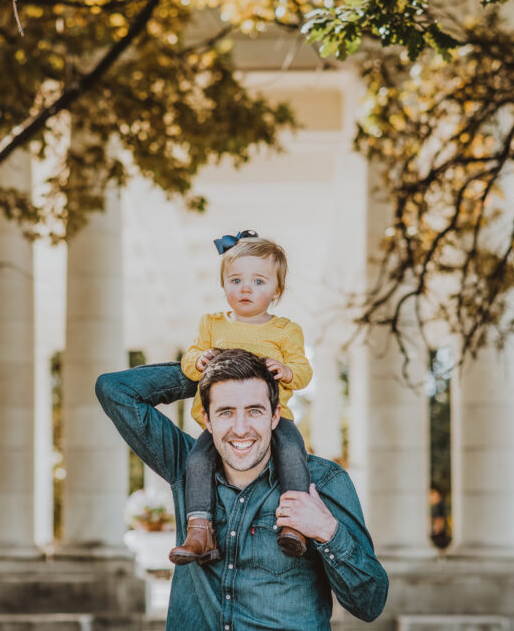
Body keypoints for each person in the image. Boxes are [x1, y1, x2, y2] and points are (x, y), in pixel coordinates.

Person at [96, 348, 388, 629]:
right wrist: (201, 372)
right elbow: (114, 390)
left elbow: (369, 603)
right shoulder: (185, 466)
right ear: (207, 419)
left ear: (275, 416)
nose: (240, 428)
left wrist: (328, 531)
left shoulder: (323, 482)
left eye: (254, 411)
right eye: (225, 412)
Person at [172, 231, 313, 565]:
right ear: (223, 286)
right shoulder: (211, 324)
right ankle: (200, 530)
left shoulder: (285, 330)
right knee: (197, 460)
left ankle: (294, 523)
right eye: (235, 280)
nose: (245, 289)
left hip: (274, 418)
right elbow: (189, 361)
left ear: (277, 290)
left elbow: (303, 371)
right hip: (221, 423)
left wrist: (287, 371)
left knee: (293, 451)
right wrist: (200, 361)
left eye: (258, 281)